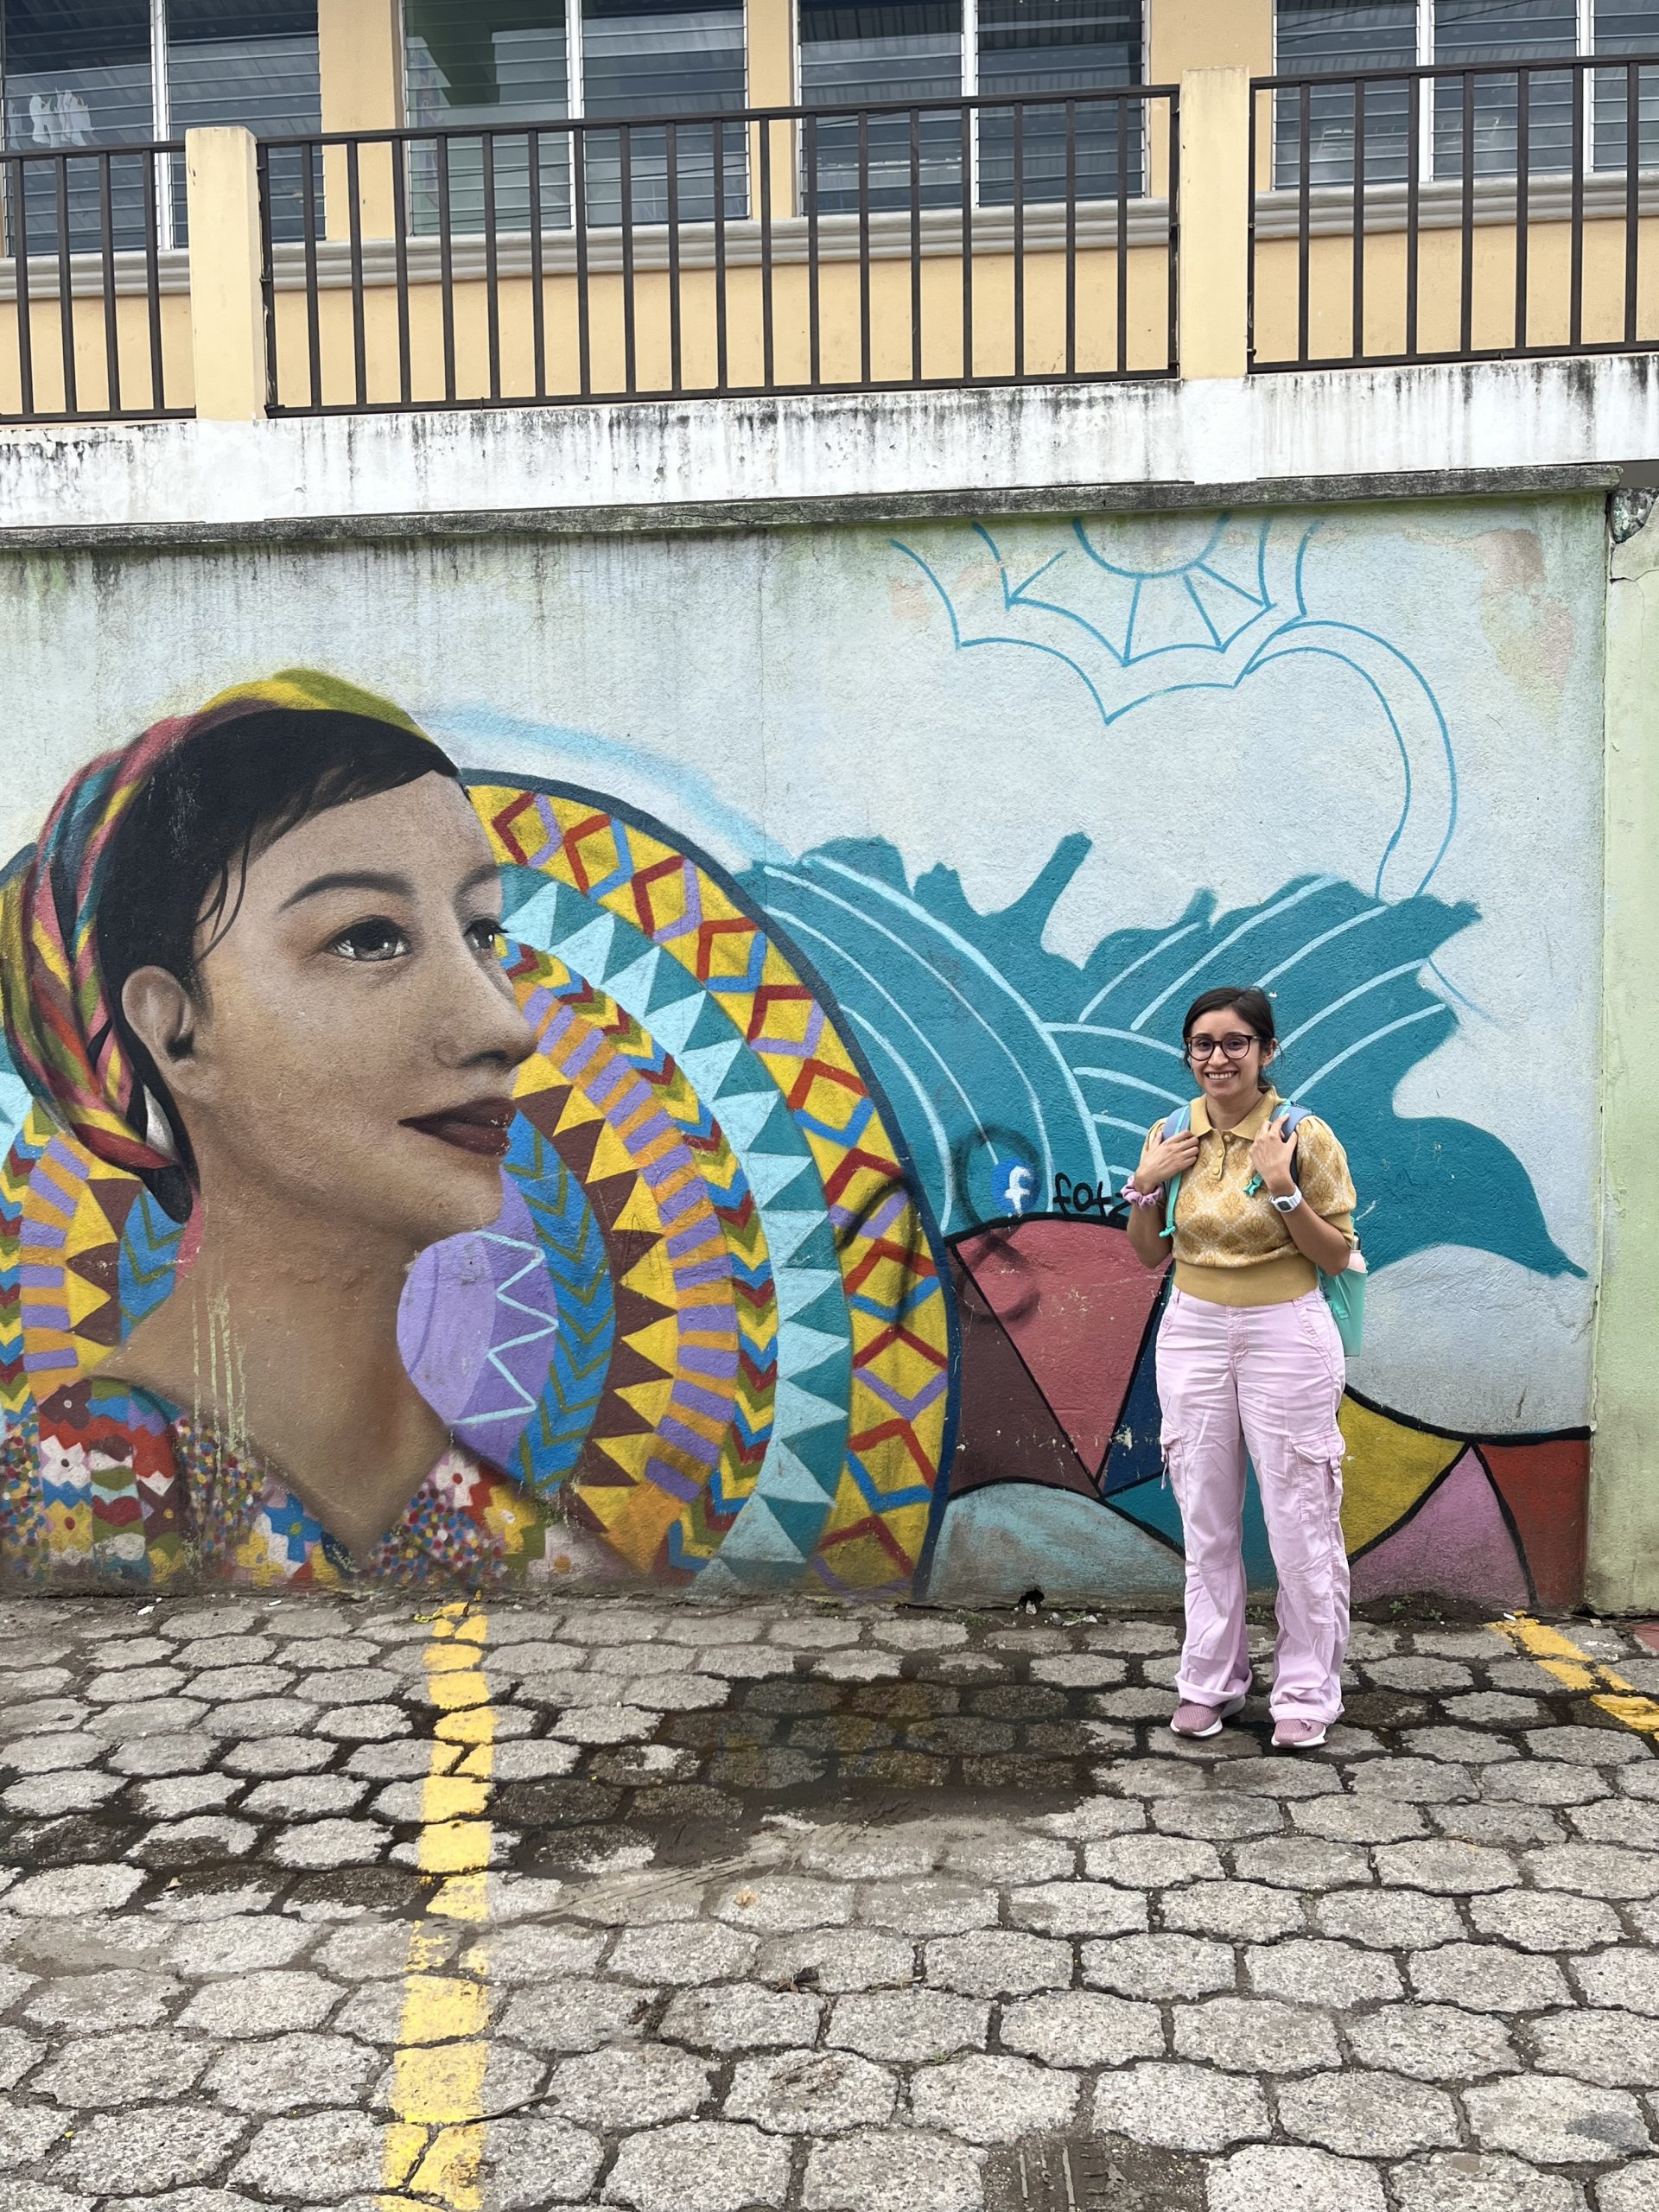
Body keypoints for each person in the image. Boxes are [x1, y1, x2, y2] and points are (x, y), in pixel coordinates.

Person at [0, 671, 612, 1591]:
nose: (505, 1027)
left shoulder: (523, 1550)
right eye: (369, 938)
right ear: (174, 1029)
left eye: (483, 932)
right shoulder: (77, 1503)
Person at [1122, 986, 1359, 1750]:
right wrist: (1147, 1182)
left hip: (1284, 1332)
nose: (1217, 1058)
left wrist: (1285, 1188)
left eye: (1234, 1043)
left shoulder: (1301, 1134)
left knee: (1299, 1519)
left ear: (1265, 1051)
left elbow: (1337, 1256)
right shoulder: (1169, 1132)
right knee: (1206, 1518)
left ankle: (1306, 1692)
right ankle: (1208, 1683)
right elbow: (1149, 1251)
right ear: (1188, 1053)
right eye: (1202, 1044)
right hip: (1191, 1330)